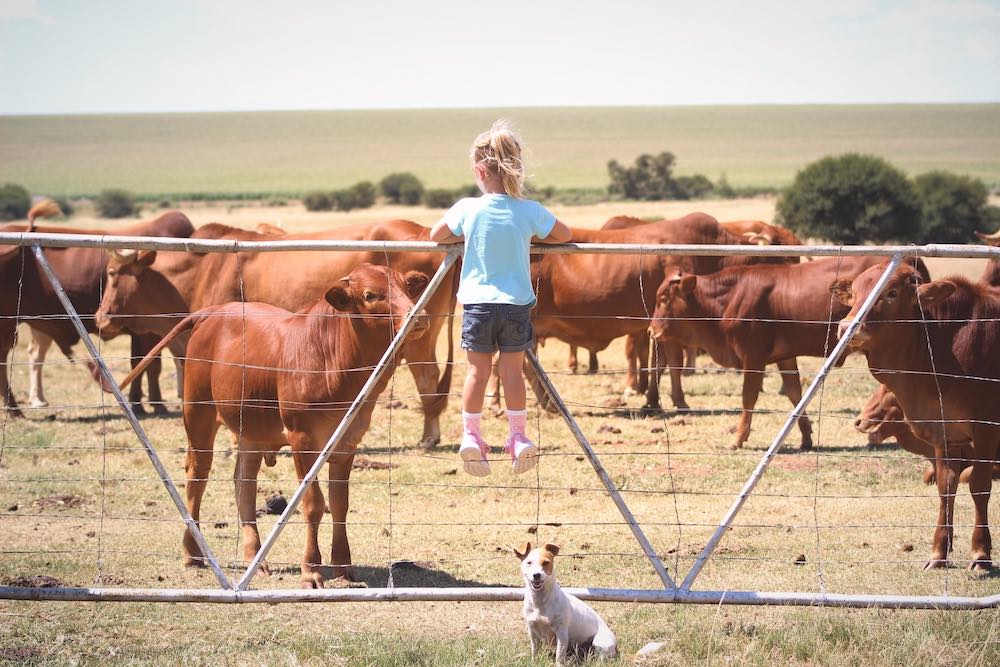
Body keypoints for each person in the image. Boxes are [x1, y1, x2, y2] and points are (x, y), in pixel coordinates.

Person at [430, 119, 571, 476]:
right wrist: (532, 235)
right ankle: (519, 438)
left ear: (479, 170)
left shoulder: (467, 208)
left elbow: (437, 235)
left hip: (477, 304)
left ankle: (471, 436)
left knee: (476, 372)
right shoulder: (529, 210)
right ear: (515, 168)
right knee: (511, 373)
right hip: (515, 305)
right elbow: (564, 234)